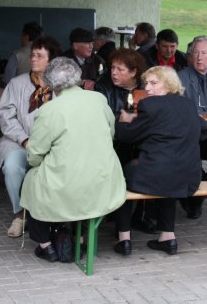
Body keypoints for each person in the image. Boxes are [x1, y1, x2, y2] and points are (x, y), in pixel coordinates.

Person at [20, 57, 126, 262]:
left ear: (49, 83)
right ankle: (82, 239)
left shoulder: (49, 110)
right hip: (102, 180)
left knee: (30, 183)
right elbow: (111, 134)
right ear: (78, 78)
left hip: (66, 184)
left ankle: (46, 246)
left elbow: (35, 154)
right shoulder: (98, 99)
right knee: (81, 189)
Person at [113, 66, 207, 256]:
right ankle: (168, 237)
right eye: (146, 83)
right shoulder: (188, 104)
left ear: (168, 84)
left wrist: (125, 121)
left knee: (121, 178)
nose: (147, 88)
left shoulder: (150, 105)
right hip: (189, 177)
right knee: (167, 175)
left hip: (158, 175)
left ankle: (124, 239)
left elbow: (127, 136)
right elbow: (205, 130)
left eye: (153, 83)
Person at [0, 37, 62, 238]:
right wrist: (25, 140)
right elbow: (6, 116)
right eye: (33, 54)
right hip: (20, 142)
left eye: (39, 56)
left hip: (52, 144)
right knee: (13, 167)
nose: (33, 59)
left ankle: (52, 215)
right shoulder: (17, 83)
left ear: (51, 61)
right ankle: (20, 214)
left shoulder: (60, 87)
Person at [95, 49, 156, 234]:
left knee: (151, 165)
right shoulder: (103, 86)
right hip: (114, 142)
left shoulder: (148, 87)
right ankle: (117, 216)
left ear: (133, 72)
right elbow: (101, 115)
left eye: (120, 69)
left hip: (142, 141)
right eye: (112, 68)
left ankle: (140, 216)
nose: (114, 72)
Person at [177, 35, 207, 219]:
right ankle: (191, 203)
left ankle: (198, 200)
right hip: (190, 138)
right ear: (190, 56)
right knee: (193, 170)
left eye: (204, 53)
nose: (199, 57)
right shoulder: (179, 79)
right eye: (195, 53)